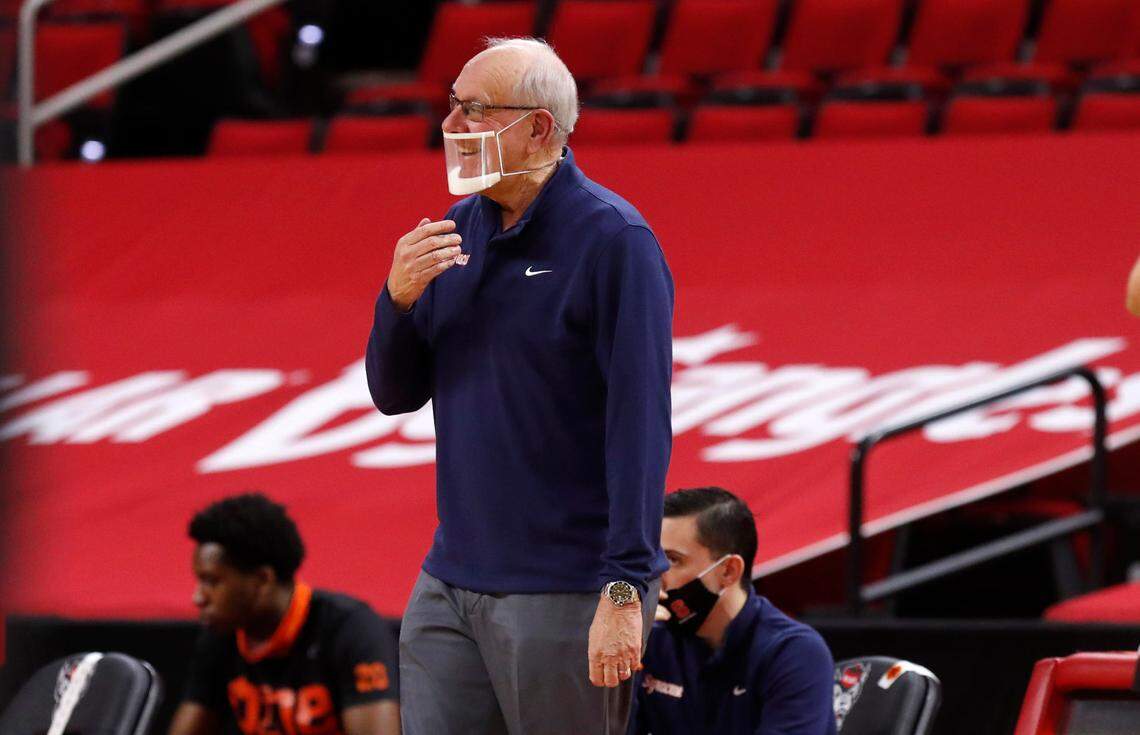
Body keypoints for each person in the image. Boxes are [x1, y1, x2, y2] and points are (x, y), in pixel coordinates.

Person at [365, 37, 673, 735]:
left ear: (537, 127)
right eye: (452, 105)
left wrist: (626, 585)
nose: (451, 125)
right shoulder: (456, 229)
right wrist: (398, 300)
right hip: (449, 577)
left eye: (474, 109)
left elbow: (639, 424)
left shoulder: (614, 240)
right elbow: (393, 394)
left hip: (566, 583)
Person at [168, 493, 400, 735]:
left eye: (212, 581)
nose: (198, 597)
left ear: (262, 579)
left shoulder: (352, 630)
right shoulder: (222, 634)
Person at [629, 487, 836, 735]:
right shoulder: (649, 639)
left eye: (673, 560)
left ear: (728, 571)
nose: (654, 575)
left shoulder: (795, 653)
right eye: (653, 559)